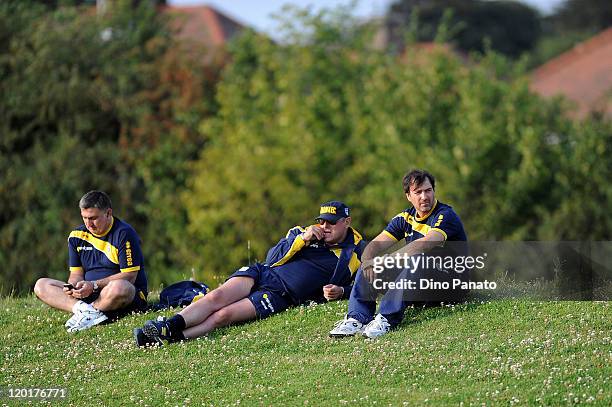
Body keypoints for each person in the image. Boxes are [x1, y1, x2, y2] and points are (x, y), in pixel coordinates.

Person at [134, 201, 365, 347]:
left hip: (280, 294)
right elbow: (272, 259)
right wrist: (302, 240)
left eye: (332, 223)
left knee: (222, 317)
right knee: (214, 298)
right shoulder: (300, 233)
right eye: (322, 222)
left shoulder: (353, 253)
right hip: (261, 273)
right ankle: (168, 325)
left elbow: (359, 284)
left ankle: (169, 338)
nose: (325, 227)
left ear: (347, 222)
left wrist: (341, 291)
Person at [329, 169, 468, 339]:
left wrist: (387, 260)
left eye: (428, 190)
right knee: (369, 262)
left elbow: (424, 244)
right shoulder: (404, 218)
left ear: (434, 191)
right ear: (408, 196)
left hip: (450, 285)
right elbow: (373, 246)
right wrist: (368, 262)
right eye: (418, 192)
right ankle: (357, 318)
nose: (424, 196)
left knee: (419, 259)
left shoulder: (445, 215)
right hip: (421, 286)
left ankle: (386, 319)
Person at [34, 191, 148, 332]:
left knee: (119, 287)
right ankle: (86, 311)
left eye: (93, 218)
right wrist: (74, 287)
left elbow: (130, 276)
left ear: (108, 213)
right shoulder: (76, 236)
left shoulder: (124, 234)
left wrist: (93, 285)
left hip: (124, 293)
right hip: (89, 295)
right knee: (41, 285)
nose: (89, 224)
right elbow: (76, 273)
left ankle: (89, 312)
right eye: (84, 218)